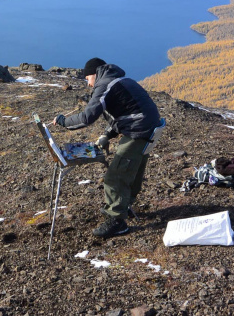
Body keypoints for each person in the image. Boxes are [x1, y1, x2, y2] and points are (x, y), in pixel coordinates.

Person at [53, 58, 161, 238]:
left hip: (139, 131)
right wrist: (107, 135)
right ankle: (122, 206)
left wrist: (64, 121)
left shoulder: (105, 85)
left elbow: (87, 117)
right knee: (132, 173)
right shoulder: (119, 81)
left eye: (87, 78)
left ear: (95, 74)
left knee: (114, 177)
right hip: (149, 129)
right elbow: (124, 112)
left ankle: (117, 221)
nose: (88, 84)